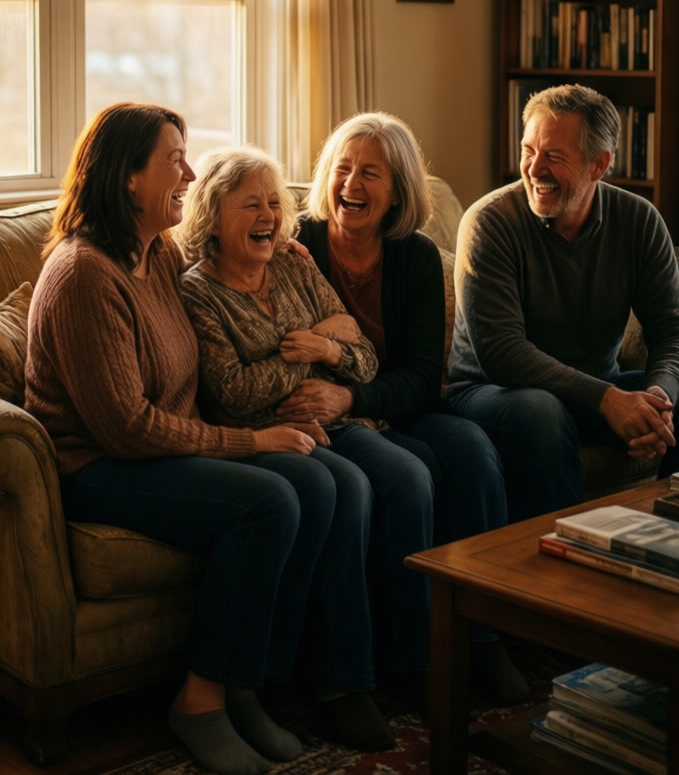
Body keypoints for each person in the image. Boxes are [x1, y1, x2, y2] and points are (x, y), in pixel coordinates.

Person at [23, 103, 370, 775]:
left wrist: (277, 247)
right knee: (268, 500)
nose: (188, 171)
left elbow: (219, 273)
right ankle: (202, 700)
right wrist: (250, 443)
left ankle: (251, 685)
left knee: (318, 481)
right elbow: (127, 426)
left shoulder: (156, 253)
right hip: (97, 466)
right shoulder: (85, 273)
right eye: (172, 159)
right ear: (127, 177)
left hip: (160, 450)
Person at [175, 145, 431, 741]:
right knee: (347, 488)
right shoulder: (198, 293)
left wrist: (335, 352)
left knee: (408, 475)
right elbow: (235, 393)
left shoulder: (295, 262)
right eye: (250, 206)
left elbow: (364, 361)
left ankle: (410, 662)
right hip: (263, 435)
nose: (268, 216)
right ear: (213, 215)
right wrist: (314, 343)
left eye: (273, 203)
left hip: (336, 419)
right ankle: (343, 682)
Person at [283, 111, 528, 705]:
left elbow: (421, 377)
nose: (351, 185)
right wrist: (346, 398)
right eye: (342, 169)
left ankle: (484, 643)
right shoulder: (297, 245)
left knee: (473, 452)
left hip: (395, 403)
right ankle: (409, 659)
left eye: (371, 172)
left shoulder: (415, 256)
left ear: (398, 191)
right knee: (409, 475)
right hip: (332, 415)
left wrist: (356, 392)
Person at [446, 83, 679, 523]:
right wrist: (609, 400)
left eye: (554, 157)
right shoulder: (490, 223)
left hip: (595, 387)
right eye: (528, 151)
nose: (533, 169)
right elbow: (501, 351)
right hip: (492, 391)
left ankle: (674, 544)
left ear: (599, 164)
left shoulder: (638, 220)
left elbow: (677, 329)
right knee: (541, 411)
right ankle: (561, 566)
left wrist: (660, 398)